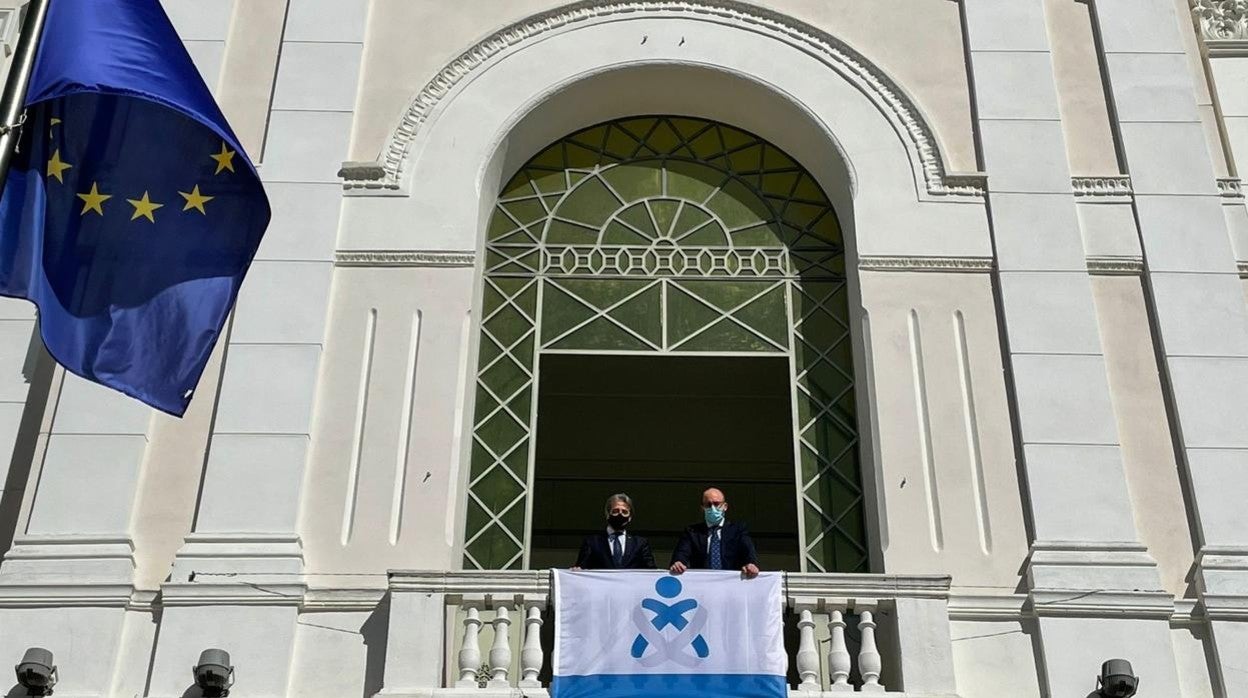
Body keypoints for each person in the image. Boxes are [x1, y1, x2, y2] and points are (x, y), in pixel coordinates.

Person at [669, 487, 760, 578]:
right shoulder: (692, 532)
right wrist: (678, 562)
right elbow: (682, 553)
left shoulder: (738, 530)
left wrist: (751, 563)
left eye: (716, 504)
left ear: (725, 507)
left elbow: (748, 551)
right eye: (708, 505)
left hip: (731, 582)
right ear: (702, 508)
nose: (713, 508)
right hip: (702, 583)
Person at [572, 493, 656, 570]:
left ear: (630, 517)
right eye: (615, 511)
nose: (620, 515)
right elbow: (581, 568)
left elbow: (651, 571)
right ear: (608, 514)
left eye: (624, 512)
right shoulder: (592, 542)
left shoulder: (640, 543)